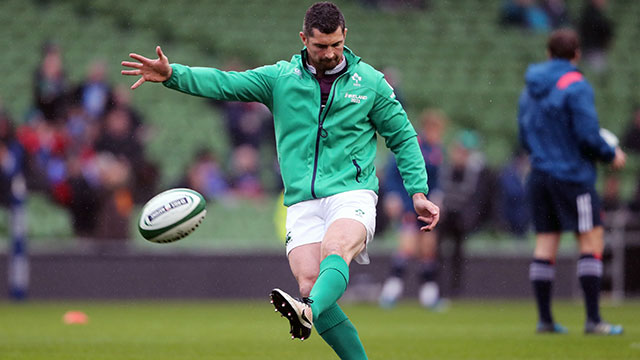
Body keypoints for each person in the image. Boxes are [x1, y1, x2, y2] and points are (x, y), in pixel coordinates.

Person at [121, 2, 440, 359]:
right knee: (309, 285)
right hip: (303, 200)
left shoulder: (371, 84)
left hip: (352, 192)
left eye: (336, 44)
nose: (330, 53)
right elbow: (226, 83)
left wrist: (418, 191)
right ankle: (321, 322)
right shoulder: (280, 79)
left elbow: (403, 136)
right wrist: (172, 75)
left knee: (335, 252)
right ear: (304, 39)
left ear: (345, 35)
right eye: (321, 46)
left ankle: (307, 310)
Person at [517, 28, 626, 335]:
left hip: (539, 175)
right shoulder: (577, 85)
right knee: (591, 240)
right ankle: (593, 320)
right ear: (576, 55)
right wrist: (610, 154)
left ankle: (545, 320)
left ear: (548, 53)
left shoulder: (530, 89)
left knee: (545, 243)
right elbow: (588, 135)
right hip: (573, 177)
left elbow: (524, 135)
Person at [378, 108, 446, 309]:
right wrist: (393, 196)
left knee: (428, 251)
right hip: (410, 205)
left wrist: (438, 196)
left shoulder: (437, 151)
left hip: (426, 206)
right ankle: (390, 293)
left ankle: (429, 297)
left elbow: (436, 180)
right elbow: (392, 174)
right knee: (407, 249)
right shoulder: (413, 146)